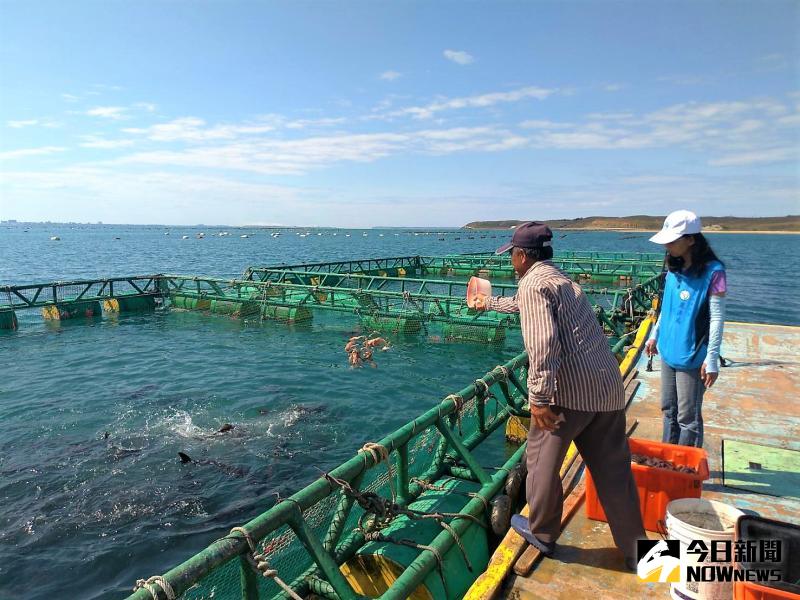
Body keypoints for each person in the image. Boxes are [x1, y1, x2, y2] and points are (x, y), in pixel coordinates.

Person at [475, 221, 645, 569]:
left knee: (539, 462)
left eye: (512, 255)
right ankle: (640, 554)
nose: (512, 262)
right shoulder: (558, 278)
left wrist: (538, 398)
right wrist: (490, 302)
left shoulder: (533, 284)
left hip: (568, 395)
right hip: (607, 387)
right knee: (615, 475)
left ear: (521, 256)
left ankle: (543, 532)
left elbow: (543, 343)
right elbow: (524, 305)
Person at [646, 210, 726, 448]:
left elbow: (717, 318)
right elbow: (666, 309)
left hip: (691, 354)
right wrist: (654, 335)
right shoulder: (673, 267)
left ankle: (684, 468)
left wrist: (711, 357)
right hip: (668, 350)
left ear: (691, 239)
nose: (667, 245)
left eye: (672, 240)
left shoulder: (714, 272)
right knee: (668, 409)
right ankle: (667, 458)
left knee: (687, 417)